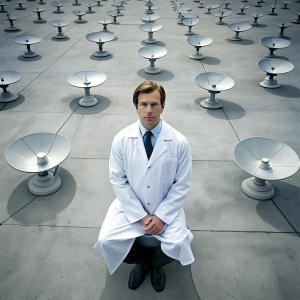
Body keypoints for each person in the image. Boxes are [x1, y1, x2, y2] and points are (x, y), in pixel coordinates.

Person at [94, 80, 194, 292]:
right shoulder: (121, 139)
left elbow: (182, 184)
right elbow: (118, 179)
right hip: (130, 205)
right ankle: (142, 262)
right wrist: (140, 216)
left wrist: (162, 216)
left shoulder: (179, 142)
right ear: (136, 107)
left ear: (163, 106)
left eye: (155, 104)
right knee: (106, 240)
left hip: (166, 206)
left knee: (179, 244)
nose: (149, 110)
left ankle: (156, 265)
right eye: (143, 104)